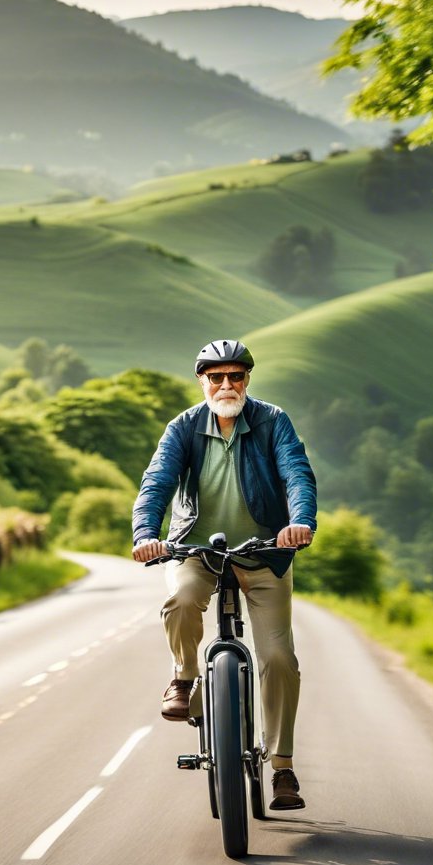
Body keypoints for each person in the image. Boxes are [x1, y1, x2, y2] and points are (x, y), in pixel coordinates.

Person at [132, 339, 316, 810]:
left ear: (247, 380)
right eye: (217, 377)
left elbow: (297, 473)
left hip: (264, 552)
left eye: (235, 376)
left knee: (278, 658)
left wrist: (300, 523)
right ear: (203, 382)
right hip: (196, 548)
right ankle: (184, 676)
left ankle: (282, 767)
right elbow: (158, 481)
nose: (226, 385)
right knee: (181, 600)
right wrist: (145, 532)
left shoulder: (273, 422)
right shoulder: (184, 427)